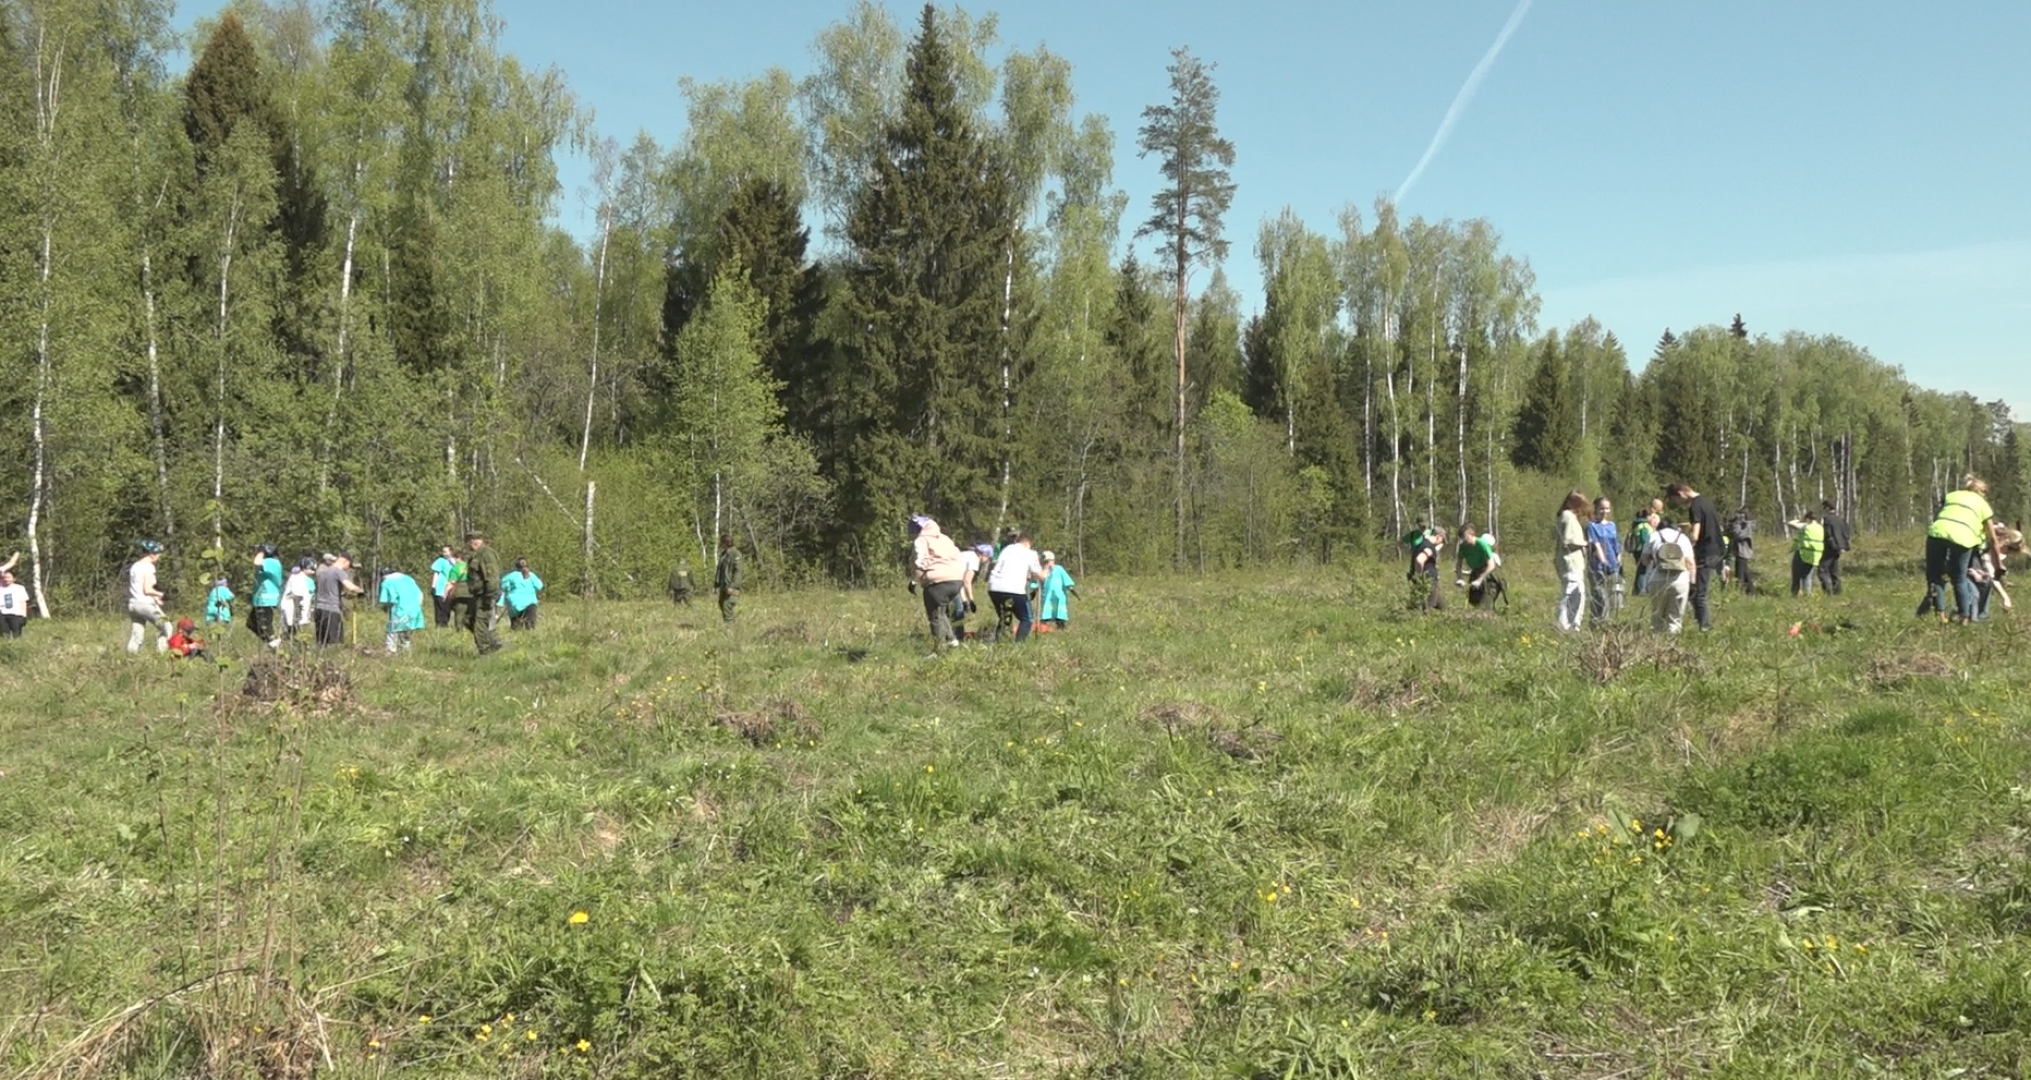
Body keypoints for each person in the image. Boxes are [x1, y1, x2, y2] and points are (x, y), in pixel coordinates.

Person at [1921, 475, 2008, 624]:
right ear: (1982, 492)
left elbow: (1943, 513)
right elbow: (1993, 539)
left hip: (1937, 533)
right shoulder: (1982, 504)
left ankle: (1941, 617)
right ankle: (1964, 619)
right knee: (1959, 578)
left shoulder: (1952, 495)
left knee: (1935, 577)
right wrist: (1999, 563)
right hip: (1963, 537)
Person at [1667, 482, 1724, 632]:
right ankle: (1701, 624)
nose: (1678, 504)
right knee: (1698, 592)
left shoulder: (1695, 506)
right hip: (1716, 549)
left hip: (1705, 552)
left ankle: (1704, 627)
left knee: (1698, 593)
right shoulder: (1706, 502)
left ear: (1680, 494)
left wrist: (1685, 545)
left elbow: (1695, 534)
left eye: (1675, 500)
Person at [907, 516, 966, 647]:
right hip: (956, 580)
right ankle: (952, 640)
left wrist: (913, 582)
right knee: (941, 612)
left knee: (934, 616)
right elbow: (959, 557)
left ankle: (939, 649)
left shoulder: (922, 540)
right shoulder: (945, 539)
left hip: (936, 581)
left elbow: (921, 562)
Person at [987, 528, 1044, 642]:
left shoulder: (1007, 549)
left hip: (994, 587)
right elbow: (1040, 575)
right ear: (1028, 543)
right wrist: (1047, 569)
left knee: (1005, 617)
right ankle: (1018, 645)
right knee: (1026, 619)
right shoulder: (1030, 553)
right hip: (1013, 589)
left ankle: (999, 642)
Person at [1645, 516, 1696, 634]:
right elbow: (1691, 563)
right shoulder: (1683, 537)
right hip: (1680, 579)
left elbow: (1644, 560)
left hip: (1658, 577)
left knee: (1657, 614)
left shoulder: (1654, 536)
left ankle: (1656, 642)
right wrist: (1692, 582)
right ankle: (1673, 642)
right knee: (1676, 616)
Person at [126, 541, 173, 654]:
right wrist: (162, 595)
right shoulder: (149, 567)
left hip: (133, 604)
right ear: (152, 554)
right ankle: (161, 653)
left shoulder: (135, 566)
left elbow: (139, 587)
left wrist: (156, 599)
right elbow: (147, 589)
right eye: (158, 553)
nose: (159, 556)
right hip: (144, 604)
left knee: (137, 633)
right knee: (167, 627)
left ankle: (131, 656)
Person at [1553, 491, 1589, 632]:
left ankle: (1573, 625)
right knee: (1571, 594)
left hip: (1574, 563)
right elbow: (1567, 542)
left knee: (1578, 594)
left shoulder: (1570, 517)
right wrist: (1586, 544)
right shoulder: (1567, 517)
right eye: (1578, 505)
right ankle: (1563, 625)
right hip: (1570, 562)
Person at [463, 532, 503, 654]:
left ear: (480, 540)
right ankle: (493, 642)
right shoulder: (475, 555)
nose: (472, 542)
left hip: (486, 594)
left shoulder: (486, 554)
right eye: (470, 540)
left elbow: (492, 576)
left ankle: (485, 650)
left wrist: (490, 595)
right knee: (467, 619)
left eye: (475, 540)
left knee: (480, 622)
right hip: (477, 594)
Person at [1586, 497, 1623, 625]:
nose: (1604, 511)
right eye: (1602, 508)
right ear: (1596, 508)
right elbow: (1595, 545)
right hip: (1597, 566)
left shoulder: (1612, 525)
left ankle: (1606, 623)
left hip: (1613, 565)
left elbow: (1616, 545)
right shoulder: (1592, 525)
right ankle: (1595, 623)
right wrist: (1603, 561)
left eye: (1607, 508)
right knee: (1599, 596)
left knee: (1612, 597)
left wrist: (1618, 560)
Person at [313, 554, 363, 647]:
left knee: (321, 643)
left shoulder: (322, 571)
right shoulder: (338, 572)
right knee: (334, 643)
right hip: (331, 610)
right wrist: (360, 591)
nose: (347, 568)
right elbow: (350, 586)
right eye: (349, 565)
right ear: (345, 562)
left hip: (318, 609)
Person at [377, 566, 426, 653]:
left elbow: (388, 600)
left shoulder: (387, 582)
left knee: (392, 629)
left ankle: (390, 651)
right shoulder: (408, 579)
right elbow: (420, 594)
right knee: (406, 630)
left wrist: (385, 608)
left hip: (400, 609)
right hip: (415, 608)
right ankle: (406, 651)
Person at [1454, 523, 1501, 609]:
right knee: (1474, 601)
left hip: (1488, 575)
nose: (1463, 541)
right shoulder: (1463, 547)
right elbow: (1458, 565)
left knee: (1486, 603)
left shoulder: (1482, 544)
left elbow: (1491, 565)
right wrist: (1460, 578)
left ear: (1471, 535)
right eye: (1461, 539)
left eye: (1465, 538)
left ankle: (1491, 618)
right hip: (1475, 573)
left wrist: (1480, 580)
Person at [249, 544, 284, 648]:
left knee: (264, 626)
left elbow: (256, 562)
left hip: (266, 599)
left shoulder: (271, 562)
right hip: (261, 599)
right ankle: (271, 643)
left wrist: (261, 551)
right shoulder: (271, 562)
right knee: (252, 623)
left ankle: (274, 644)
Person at [1405, 526, 1447, 611]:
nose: (1441, 543)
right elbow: (1419, 560)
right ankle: (1424, 621)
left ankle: (1448, 617)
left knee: (1441, 605)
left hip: (1426, 580)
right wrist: (1420, 576)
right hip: (1428, 580)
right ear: (1438, 536)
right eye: (1442, 540)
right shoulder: (1429, 547)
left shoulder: (1421, 544)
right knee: (1427, 608)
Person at [1786, 510, 1825, 597]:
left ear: (1807, 519)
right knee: (1807, 576)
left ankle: (1794, 594)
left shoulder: (1806, 526)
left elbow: (1790, 523)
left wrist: (1800, 520)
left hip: (1802, 553)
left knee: (1796, 575)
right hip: (1814, 556)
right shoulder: (1821, 528)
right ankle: (1807, 595)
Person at [1817, 500, 1851, 596]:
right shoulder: (1840, 519)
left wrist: (1833, 545)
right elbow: (1846, 532)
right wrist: (1843, 546)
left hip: (1830, 548)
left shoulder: (1827, 519)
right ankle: (1838, 592)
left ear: (1827, 508)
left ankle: (1828, 592)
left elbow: (1828, 535)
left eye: (1824, 509)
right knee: (1834, 570)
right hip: (1838, 549)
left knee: (1822, 570)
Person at [1037, 551, 1078, 631]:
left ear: (1052, 560)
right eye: (1045, 562)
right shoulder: (1043, 571)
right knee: (1046, 611)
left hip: (1058, 596)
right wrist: (1034, 588)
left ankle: (1061, 627)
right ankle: (1042, 628)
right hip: (1047, 596)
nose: (1047, 563)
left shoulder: (1059, 569)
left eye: (1048, 561)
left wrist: (1069, 586)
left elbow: (1065, 578)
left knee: (1059, 612)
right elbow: (1037, 581)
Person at [502, 557, 545, 630]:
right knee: (530, 628)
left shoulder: (511, 576)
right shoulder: (531, 575)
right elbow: (539, 586)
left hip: (514, 604)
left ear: (516, 566)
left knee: (516, 628)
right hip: (530, 603)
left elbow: (503, 586)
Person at [282, 557, 315, 643]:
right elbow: (298, 596)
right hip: (292, 611)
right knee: (292, 632)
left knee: (295, 633)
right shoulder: (298, 577)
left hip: (295, 612)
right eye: (311, 568)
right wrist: (304, 616)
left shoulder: (303, 578)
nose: (314, 570)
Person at [1725, 509, 1757, 595]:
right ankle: (1751, 591)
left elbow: (1738, 535)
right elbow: (1730, 533)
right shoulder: (1741, 524)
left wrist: (1737, 523)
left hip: (1743, 552)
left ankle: (1739, 591)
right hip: (1739, 551)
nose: (1739, 517)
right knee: (1745, 571)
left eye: (1741, 515)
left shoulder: (1746, 525)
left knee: (1740, 574)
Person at [1628, 507, 1659, 596]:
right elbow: (1644, 539)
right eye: (1650, 516)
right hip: (1642, 550)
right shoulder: (1645, 525)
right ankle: (1642, 589)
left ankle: (1637, 589)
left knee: (1641, 569)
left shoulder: (1638, 524)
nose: (1652, 518)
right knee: (1644, 570)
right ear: (1647, 516)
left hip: (1638, 549)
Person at [714, 534, 742, 625]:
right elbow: (720, 570)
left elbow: (737, 571)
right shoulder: (723, 555)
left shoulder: (735, 554)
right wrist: (716, 584)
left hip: (731, 585)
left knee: (728, 604)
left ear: (725, 543)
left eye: (721, 543)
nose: (720, 545)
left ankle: (730, 628)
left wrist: (733, 586)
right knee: (721, 603)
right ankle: (730, 624)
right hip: (724, 585)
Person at [430, 545, 460, 628]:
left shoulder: (455, 561)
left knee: (447, 607)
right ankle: (439, 623)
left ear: (451, 551)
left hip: (451, 587)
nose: (444, 553)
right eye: (443, 552)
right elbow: (436, 573)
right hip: (440, 586)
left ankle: (445, 622)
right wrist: (433, 586)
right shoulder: (440, 561)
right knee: (439, 606)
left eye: (446, 551)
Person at [0, 568, 28, 638]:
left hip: (16, 614)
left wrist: (24, 615)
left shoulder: (19, 588)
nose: (6, 579)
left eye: (8, 577)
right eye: (4, 577)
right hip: (2, 615)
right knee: (5, 635)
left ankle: (17, 648)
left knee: (17, 634)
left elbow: (23, 602)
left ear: (13, 578)